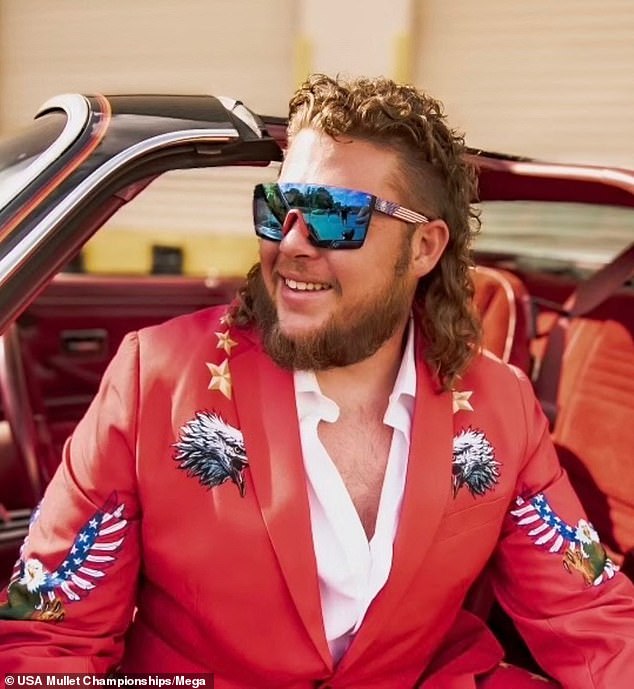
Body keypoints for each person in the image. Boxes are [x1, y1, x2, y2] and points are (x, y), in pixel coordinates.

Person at [1, 74, 633, 688]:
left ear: (424, 248)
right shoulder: (156, 377)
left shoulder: (502, 404)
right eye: (278, 209)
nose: (294, 242)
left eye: (334, 217)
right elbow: (51, 631)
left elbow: (586, 610)